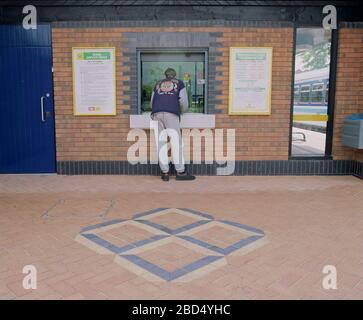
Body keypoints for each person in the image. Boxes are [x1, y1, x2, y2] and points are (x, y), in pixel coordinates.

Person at [150, 68, 196, 181]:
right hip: (171, 114)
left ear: (165, 75)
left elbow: (152, 102)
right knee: (176, 142)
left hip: (156, 113)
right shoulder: (179, 83)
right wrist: (181, 110)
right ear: (174, 75)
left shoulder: (157, 84)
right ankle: (180, 172)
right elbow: (184, 102)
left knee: (160, 143)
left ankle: (165, 173)